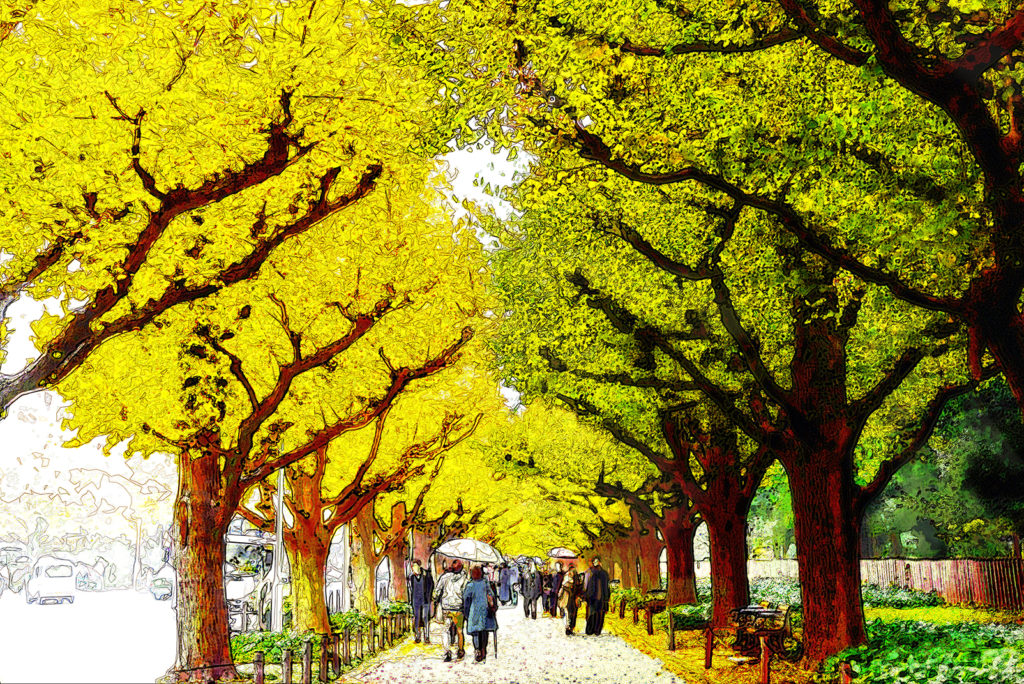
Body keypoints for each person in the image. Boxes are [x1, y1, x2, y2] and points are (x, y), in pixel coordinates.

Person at [432, 559, 468, 661]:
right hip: (458, 608)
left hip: (446, 608)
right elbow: (466, 593)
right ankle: (460, 650)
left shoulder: (444, 577)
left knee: (445, 630)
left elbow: (437, 591)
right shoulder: (464, 578)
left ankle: (447, 652)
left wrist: (436, 599)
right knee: (460, 630)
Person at [463, 565, 499, 662]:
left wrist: (466, 613)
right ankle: (483, 650)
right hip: (485, 611)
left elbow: (466, 600)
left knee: (475, 633)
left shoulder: (470, 586)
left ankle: (477, 650)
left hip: (474, 612)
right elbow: (492, 595)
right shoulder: (485, 583)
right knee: (484, 632)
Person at [407, 559, 434, 644]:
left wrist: (429, 596)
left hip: (425, 600)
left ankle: (426, 637)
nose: (412, 568)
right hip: (416, 601)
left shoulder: (427, 575)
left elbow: (431, 586)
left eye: (414, 566)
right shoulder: (411, 577)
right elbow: (411, 589)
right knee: (417, 618)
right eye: (412, 566)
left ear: (418, 566)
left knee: (425, 618)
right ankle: (418, 636)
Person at [584, 556, 610, 635]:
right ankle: (590, 630)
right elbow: (588, 585)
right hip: (593, 597)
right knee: (592, 613)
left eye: (597, 561)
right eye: (594, 562)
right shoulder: (590, 572)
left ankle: (597, 630)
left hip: (600, 597)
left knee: (600, 613)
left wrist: (606, 597)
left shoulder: (604, 574)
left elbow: (606, 586)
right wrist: (587, 595)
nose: (596, 563)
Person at [558, 566, 583, 635]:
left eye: (572, 572)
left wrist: (579, 597)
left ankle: (571, 627)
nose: (570, 574)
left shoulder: (577, 580)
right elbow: (562, 590)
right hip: (567, 599)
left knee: (573, 614)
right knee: (567, 613)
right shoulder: (566, 580)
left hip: (574, 599)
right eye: (570, 572)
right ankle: (568, 627)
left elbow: (579, 589)